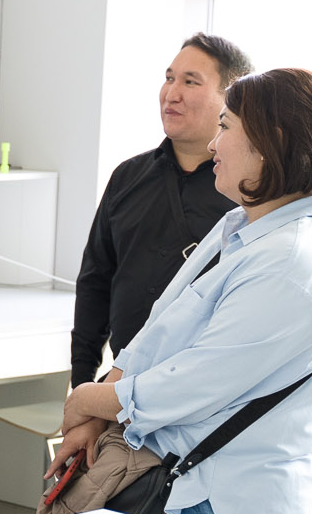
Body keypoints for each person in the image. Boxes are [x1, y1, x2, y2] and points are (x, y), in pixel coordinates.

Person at [47, 67, 312, 514]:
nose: (214, 145)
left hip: (219, 510)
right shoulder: (243, 224)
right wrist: (97, 409)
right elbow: (159, 332)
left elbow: (191, 384)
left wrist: (87, 398)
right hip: (180, 486)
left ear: (269, 142)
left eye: (226, 127)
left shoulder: (291, 262)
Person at [70, 32, 253, 386]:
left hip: (197, 390)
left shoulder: (244, 191)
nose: (172, 93)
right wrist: (81, 385)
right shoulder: (128, 177)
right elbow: (95, 283)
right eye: (169, 78)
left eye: (190, 81)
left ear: (229, 98)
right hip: (121, 385)